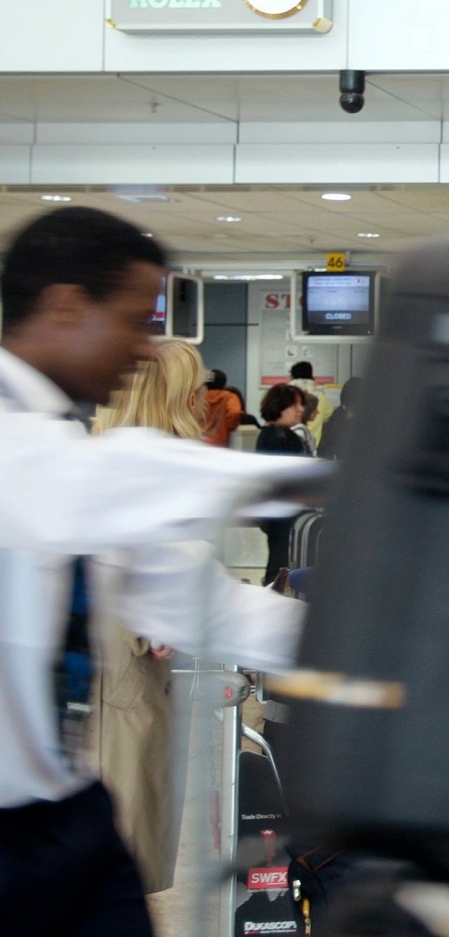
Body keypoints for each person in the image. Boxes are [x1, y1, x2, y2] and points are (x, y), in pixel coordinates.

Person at [0, 207, 311, 936]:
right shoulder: (41, 454)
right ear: (67, 306)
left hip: (63, 815)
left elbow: (193, 602)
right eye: (135, 321)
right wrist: (321, 479)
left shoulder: (65, 447)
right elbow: (83, 481)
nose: (144, 348)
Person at [88, 340, 212, 901]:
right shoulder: (149, 468)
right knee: (125, 817)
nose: (206, 397)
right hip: (124, 668)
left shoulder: (99, 456)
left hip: (103, 664)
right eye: (197, 387)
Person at [255, 384, 312, 585]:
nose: (300, 410)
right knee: (283, 563)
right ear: (280, 406)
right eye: (295, 405)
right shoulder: (284, 438)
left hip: (274, 509)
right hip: (286, 509)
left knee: (277, 559)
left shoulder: (267, 435)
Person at [286, 361, 334, 447]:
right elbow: (329, 417)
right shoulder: (321, 395)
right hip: (313, 445)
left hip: (288, 443)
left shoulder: (287, 393)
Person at [200, 368, 242, 447]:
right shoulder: (229, 397)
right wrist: (228, 426)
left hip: (198, 441)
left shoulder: (199, 398)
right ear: (225, 384)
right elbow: (235, 413)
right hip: (219, 443)